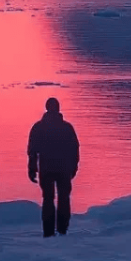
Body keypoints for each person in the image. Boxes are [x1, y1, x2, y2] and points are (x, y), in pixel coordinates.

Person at [27, 98, 80, 237]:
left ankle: (48, 231)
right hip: (64, 169)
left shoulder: (38, 127)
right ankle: (62, 229)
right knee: (64, 199)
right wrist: (74, 167)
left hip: (47, 169)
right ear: (58, 109)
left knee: (48, 199)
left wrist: (32, 168)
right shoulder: (67, 127)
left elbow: (32, 150)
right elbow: (74, 149)